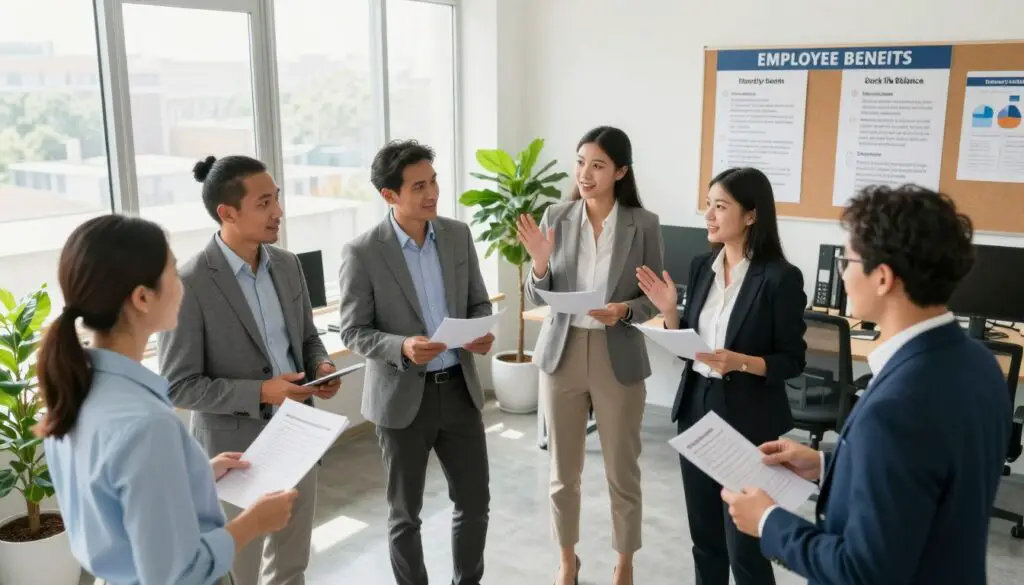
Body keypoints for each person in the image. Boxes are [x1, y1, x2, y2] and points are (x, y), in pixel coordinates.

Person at [721, 185, 1013, 585]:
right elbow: (927, 479)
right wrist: (829, 464)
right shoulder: (979, 362)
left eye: (847, 259)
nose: (841, 272)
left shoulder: (895, 408)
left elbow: (863, 571)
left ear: (882, 278)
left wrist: (769, 522)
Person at [38, 215, 298, 585]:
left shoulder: (76, 390)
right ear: (142, 298)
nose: (182, 286)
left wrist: (194, 474)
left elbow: (114, 502)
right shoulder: (145, 425)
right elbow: (178, 573)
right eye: (173, 274)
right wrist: (254, 522)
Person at [157, 155, 341, 585]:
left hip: (298, 436)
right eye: (263, 203)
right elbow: (179, 386)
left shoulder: (288, 264)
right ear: (228, 213)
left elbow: (307, 337)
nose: (278, 211)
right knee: (238, 571)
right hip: (234, 455)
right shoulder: (190, 283)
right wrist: (263, 391)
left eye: (276, 198)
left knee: (292, 563)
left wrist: (322, 364)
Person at [636, 167, 806, 585]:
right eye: (708, 205)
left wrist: (742, 361)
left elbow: (792, 359)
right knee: (705, 540)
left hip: (748, 420)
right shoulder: (700, 267)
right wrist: (670, 312)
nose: (709, 215)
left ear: (750, 215)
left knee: (745, 548)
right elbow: (693, 344)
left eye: (720, 206)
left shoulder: (780, 278)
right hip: (697, 406)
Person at [336, 139, 494, 585]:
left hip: (459, 391)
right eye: (419, 186)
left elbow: (478, 303)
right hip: (402, 400)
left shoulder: (457, 235)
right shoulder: (362, 252)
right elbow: (354, 331)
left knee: (474, 503)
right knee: (405, 514)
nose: (433, 193)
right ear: (389, 195)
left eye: (434, 180)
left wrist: (480, 332)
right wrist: (402, 347)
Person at [518, 125, 663, 585]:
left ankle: (624, 565)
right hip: (561, 354)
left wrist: (623, 309)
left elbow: (654, 297)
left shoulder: (644, 224)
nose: (585, 173)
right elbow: (536, 294)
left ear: (620, 171)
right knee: (564, 472)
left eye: (598, 165)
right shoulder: (556, 216)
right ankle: (567, 562)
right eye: (581, 162)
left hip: (615, 354)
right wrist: (539, 264)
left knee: (623, 471)